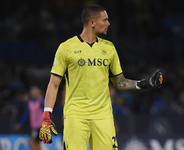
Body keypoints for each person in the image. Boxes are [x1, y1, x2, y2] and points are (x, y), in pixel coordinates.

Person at [39, 5, 163, 150]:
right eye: (105, 20)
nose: (108, 23)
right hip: (76, 116)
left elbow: (119, 82)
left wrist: (144, 84)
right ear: (92, 23)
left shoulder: (109, 48)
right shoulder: (66, 48)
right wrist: (47, 114)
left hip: (103, 116)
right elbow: (53, 84)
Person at [15, 86, 44, 150]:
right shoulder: (30, 102)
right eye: (32, 91)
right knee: (36, 143)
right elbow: (26, 114)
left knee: (32, 141)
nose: (34, 92)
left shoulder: (41, 101)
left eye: (35, 91)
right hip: (34, 126)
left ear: (38, 92)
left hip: (39, 126)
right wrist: (20, 123)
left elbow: (46, 110)